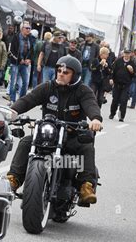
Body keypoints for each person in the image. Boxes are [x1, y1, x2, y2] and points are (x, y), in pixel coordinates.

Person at [6, 55, 103, 204]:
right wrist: (13, 111)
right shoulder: (48, 87)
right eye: (59, 71)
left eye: (66, 72)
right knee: (26, 142)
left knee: (87, 147)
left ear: (75, 75)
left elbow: (91, 104)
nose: (61, 74)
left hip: (72, 136)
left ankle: (86, 186)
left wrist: (95, 119)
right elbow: (28, 99)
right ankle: (13, 179)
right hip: (48, 135)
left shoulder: (83, 90)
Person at [8, 21, 33, 103]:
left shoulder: (30, 38)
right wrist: (20, 60)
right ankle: (12, 100)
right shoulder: (16, 37)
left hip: (25, 64)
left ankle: (21, 101)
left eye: (29, 28)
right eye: (27, 28)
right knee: (14, 82)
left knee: (25, 83)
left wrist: (29, 59)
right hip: (16, 63)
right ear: (22, 29)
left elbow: (32, 51)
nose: (29, 30)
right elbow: (11, 51)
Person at [109, 49, 136, 121]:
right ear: (123, 54)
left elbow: (135, 75)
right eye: (125, 54)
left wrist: (132, 71)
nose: (127, 55)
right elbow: (113, 70)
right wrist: (111, 78)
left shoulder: (132, 63)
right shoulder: (118, 61)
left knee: (124, 101)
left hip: (126, 85)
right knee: (115, 100)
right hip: (117, 84)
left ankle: (122, 116)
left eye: (128, 54)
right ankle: (112, 113)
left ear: (130, 54)